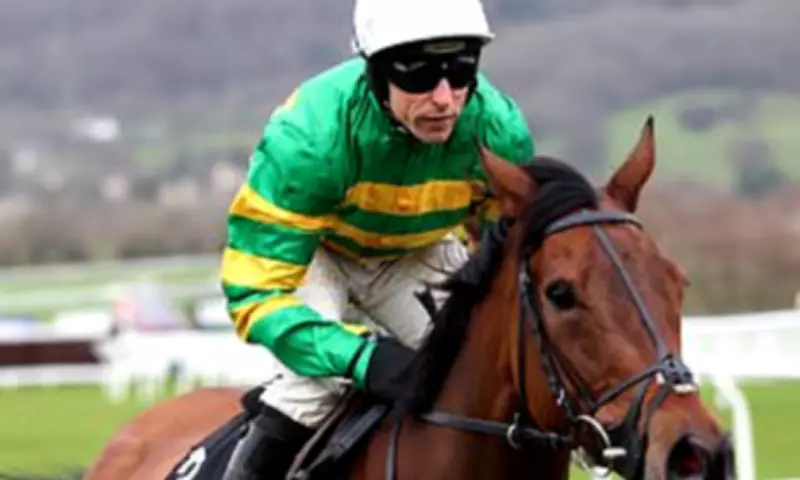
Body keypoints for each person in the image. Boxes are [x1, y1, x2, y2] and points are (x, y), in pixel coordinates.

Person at [220, 0, 536, 477]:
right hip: (316, 254)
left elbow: (507, 257)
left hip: (415, 250)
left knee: (490, 371)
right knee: (313, 389)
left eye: (461, 72)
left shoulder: (499, 132)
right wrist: (361, 358)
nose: (445, 99)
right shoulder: (309, 139)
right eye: (419, 76)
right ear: (375, 71)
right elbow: (255, 295)